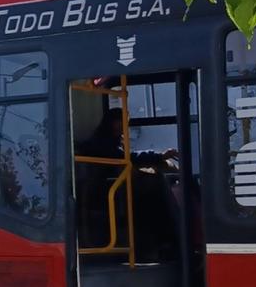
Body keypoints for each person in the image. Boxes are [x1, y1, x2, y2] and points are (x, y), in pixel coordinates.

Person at [76, 108, 179, 262]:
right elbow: (125, 158)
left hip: (113, 190)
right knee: (152, 199)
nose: (123, 126)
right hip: (104, 193)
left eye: (126, 123)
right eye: (120, 121)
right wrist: (158, 155)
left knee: (153, 195)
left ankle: (167, 242)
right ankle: (167, 243)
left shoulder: (114, 142)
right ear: (110, 122)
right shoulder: (100, 142)